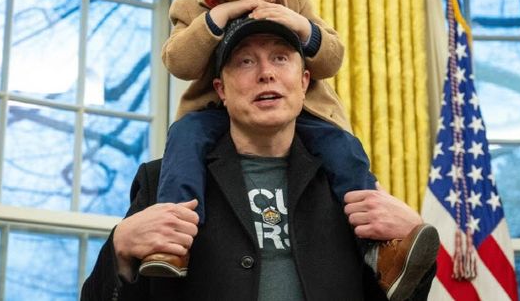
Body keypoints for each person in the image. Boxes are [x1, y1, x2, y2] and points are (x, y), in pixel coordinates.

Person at [147, 0, 436, 293]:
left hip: (306, 113)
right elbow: (179, 64)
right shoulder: (191, 9)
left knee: (343, 148)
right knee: (184, 137)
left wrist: (302, 26)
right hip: (217, 114)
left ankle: (381, 249)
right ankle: (173, 242)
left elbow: (331, 60)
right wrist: (218, 18)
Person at [81, 18, 438, 301]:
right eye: (246, 61)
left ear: (304, 82)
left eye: (280, 58)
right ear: (221, 89)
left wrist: (411, 236)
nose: (266, 72)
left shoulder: (349, 185)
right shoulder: (161, 182)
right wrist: (119, 251)